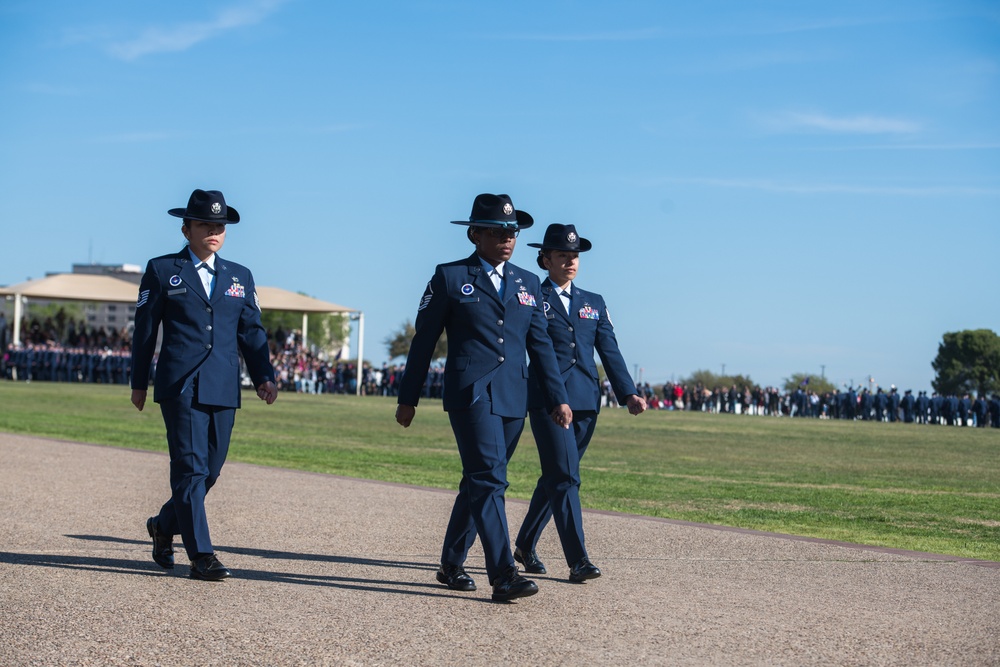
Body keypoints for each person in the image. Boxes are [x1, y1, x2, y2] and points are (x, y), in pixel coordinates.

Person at [395, 193, 572, 602]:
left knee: (479, 480)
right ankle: (504, 575)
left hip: (514, 395)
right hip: (470, 393)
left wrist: (557, 398)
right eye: (498, 231)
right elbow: (424, 342)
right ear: (475, 234)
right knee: (491, 479)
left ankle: (451, 563)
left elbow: (541, 345)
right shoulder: (450, 277)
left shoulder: (528, 283)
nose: (508, 238)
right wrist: (409, 397)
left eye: (512, 231)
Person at [130, 189, 277, 581]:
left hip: (223, 384)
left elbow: (251, 330)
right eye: (205, 224)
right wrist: (138, 381)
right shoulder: (163, 270)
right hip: (179, 384)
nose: (214, 231)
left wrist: (264, 376)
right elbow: (145, 331)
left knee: (210, 471)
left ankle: (163, 525)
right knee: (190, 470)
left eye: (220, 226)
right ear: (186, 228)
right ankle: (202, 555)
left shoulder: (239, 276)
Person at [512, 223, 647, 583]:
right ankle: (578, 559)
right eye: (563, 256)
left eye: (575, 256)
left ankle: (524, 545)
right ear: (545, 260)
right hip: (548, 401)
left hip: (587, 399)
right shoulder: (531, 298)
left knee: (557, 476)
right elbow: (534, 351)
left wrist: (628, 392)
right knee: (567, 476)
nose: (571, 261)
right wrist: (556, 397)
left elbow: (610, 350)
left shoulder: (594, 302)